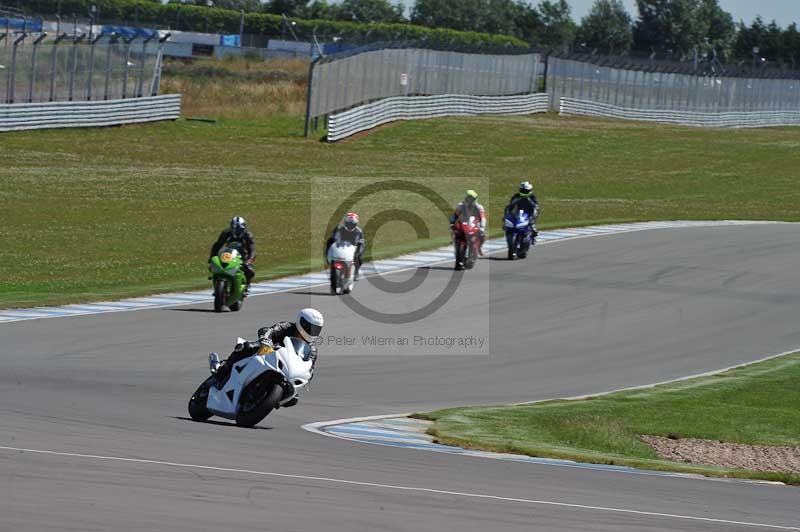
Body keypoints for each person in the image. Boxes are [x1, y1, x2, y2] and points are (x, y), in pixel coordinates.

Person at [210, 308, 325, 404]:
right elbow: (269, 331)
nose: (312, 332)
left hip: (287, 369)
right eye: (310, 327)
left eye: (316, 329)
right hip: (268, 352)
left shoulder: (312, 349)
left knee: (293, 398)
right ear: (302, 322)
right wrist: (265, 339)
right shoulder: (287, 327)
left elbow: (310, 367)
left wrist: (308, 376)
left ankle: (263, 399)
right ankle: (223, 367)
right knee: (246, 347)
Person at [209, 216, 256, 291]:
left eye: (239, 229)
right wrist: (212, 257)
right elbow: (217, 245)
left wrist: (249, 261)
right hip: (228, 254)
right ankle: (217, 282)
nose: (237, 231)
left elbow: (252, 249)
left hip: (242, 256)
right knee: (214, 265)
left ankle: (246, 285)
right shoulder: (226, 233)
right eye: (235, 228)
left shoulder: (247, 235)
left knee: (250, 271)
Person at [325, 212, 366, 280]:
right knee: (329, 240)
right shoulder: (339, 228)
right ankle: (328, 258)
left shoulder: (359, 231)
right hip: (340, 245)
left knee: (359, 256)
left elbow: (360, 242)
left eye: (352, 224)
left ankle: (356, 272)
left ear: (356, 224)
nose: (350, 226)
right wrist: (335, 242)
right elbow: (334, 237)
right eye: (348, 223)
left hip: (352, 247)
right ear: (345, 222)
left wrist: (358, 251)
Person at [450, 190, 487, 254]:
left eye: (471, 198)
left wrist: (482, 227)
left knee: (482, 235)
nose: (470, 200)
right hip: (463, 223)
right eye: (469, 198)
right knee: (453, 232)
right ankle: (456, 246)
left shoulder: (479, 207)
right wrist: (452, 222)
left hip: (474, 224)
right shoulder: (460, 206)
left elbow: (482, 217)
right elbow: (455, 215)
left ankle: (480, 247)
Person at [505, 181, 539, 247]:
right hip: (519, 212)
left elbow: (536, 206)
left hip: (529, 212)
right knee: (509, 223)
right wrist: (508, 214)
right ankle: (510, 236)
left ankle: (533, 235)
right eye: (522, 190)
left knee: (532, 224)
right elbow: (510, 205)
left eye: (525, 191)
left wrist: (532, 205)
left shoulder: (532, 197)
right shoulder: (516, 196)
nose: (524, 192)